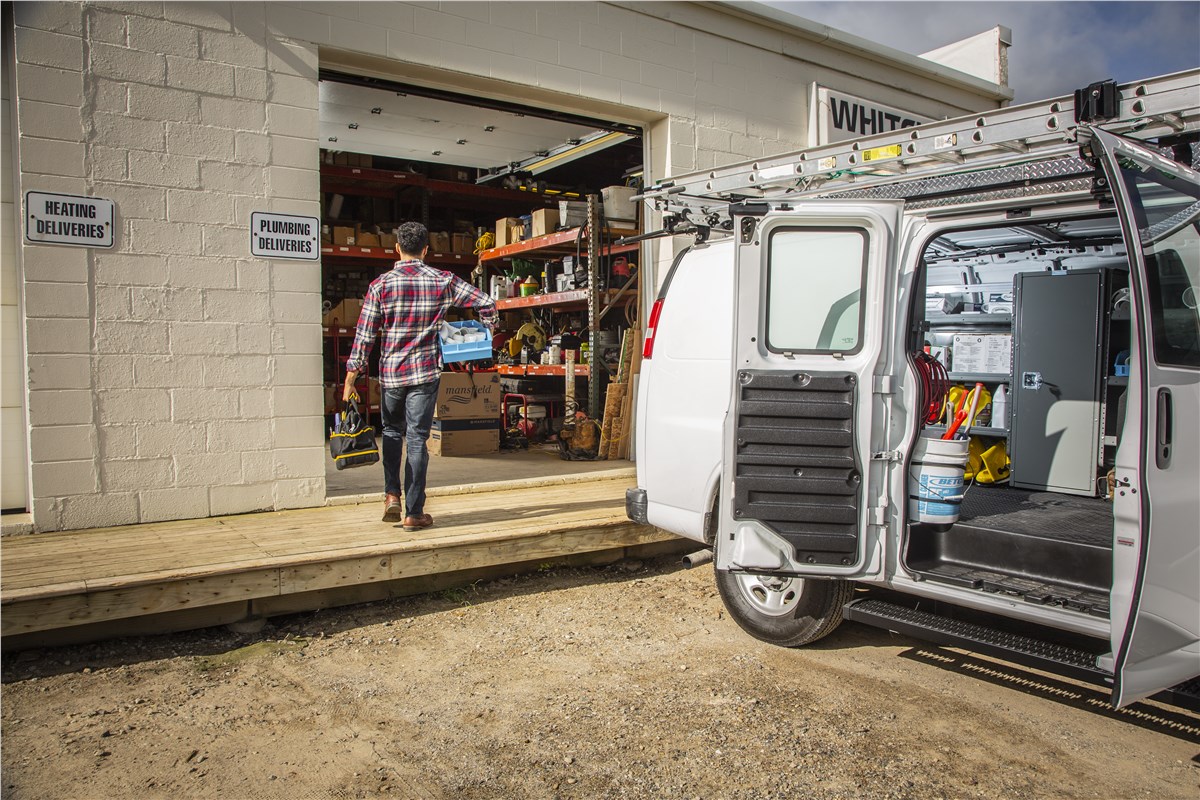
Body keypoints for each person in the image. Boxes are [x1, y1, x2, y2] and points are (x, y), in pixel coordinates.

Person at [343, 222, 497, 528]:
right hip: (426, 372)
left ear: (397, 248)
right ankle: (414, 512)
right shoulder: (443, 280)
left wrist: (351, 376)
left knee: (390, 432)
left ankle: (391, 496)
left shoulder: (381, 285)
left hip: (392, 373)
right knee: (416, 440)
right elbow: (487, 303)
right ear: (426, 249)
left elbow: (365, 336)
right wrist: (483, 334)